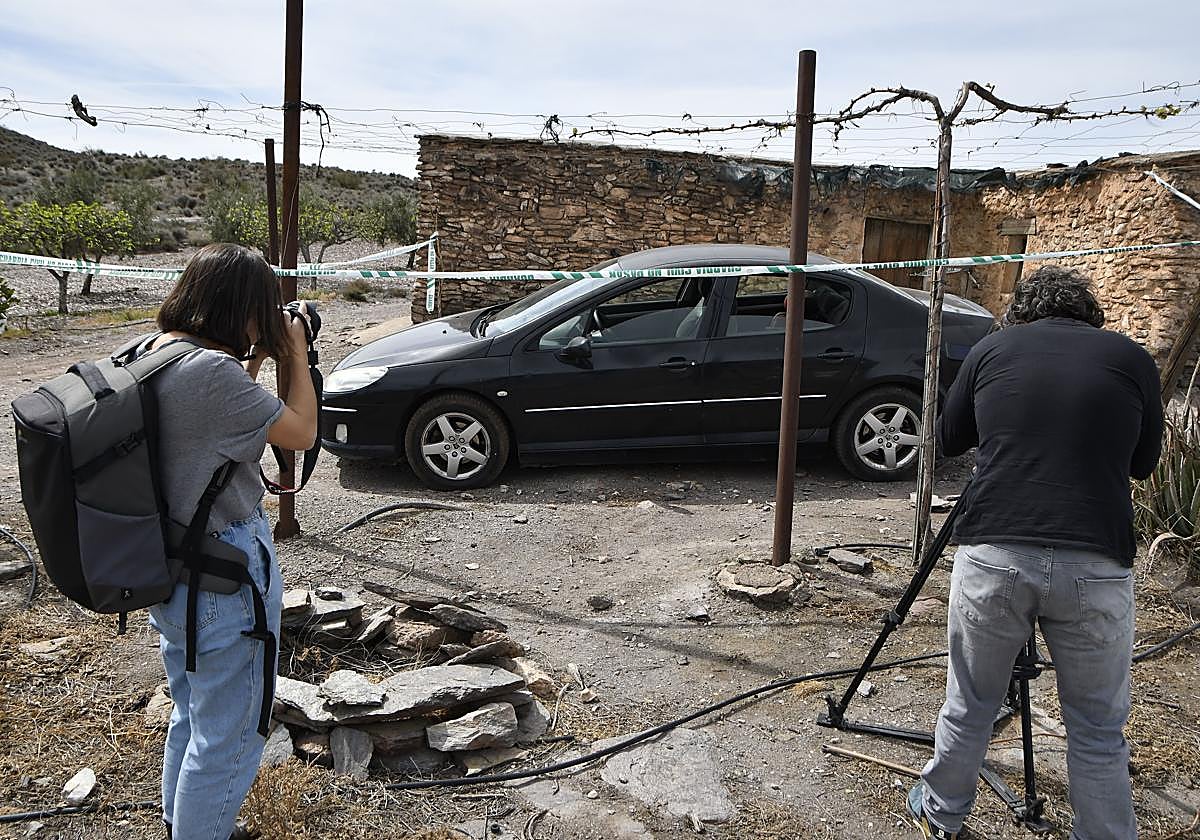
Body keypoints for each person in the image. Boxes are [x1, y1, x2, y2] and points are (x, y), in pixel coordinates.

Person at [908, 265, 1163, 840]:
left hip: (996, 550)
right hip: (1097, 560)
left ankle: (942, 812)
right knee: (1098, 728)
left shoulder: (994, 348)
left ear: (1020, 311)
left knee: (972, 701)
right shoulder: (1131, 359)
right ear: (1088, 312)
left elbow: (948, 438)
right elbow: (1142, 465)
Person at [144, 243, 317, 840]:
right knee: (234, 733)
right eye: (261, 307)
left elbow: (221, 423)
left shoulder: (161, 353)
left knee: (193, 711)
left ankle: (183, 825)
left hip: (174, 567)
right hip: (223, 574)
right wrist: (294, 352)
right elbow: (300, 431)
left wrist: (258, 361)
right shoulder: (212, 374)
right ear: (238, 307)